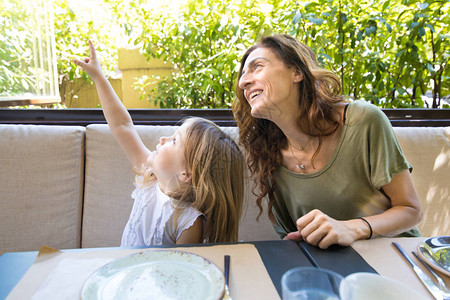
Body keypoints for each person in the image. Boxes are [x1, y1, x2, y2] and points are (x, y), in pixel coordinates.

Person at [233, 34, 422, 249]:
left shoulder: (362, 121)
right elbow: (290, 235)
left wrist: (352, 228)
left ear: (297, 72)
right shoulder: (267, 155)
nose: (243, 82)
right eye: (243, 75)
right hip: (329, 270)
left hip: (397, 258)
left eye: (257, 67)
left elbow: (411, 210)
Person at [75, 40, 244, 246]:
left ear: (186, 173)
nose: (163, 139)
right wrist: (98, 77)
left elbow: (182, 270)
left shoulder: (188, 223)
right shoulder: (149, 177)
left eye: (174, 141)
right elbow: (122, 125)